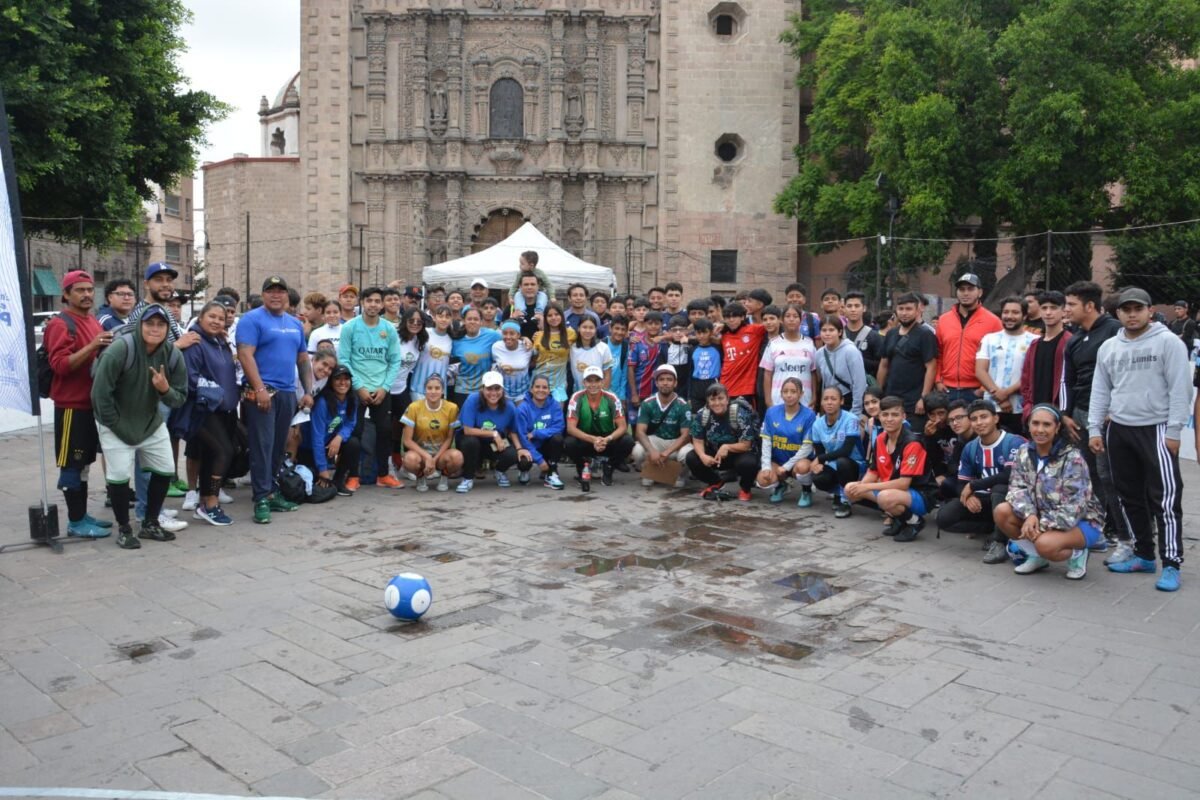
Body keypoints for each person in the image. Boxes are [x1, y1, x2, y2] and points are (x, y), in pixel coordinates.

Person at [1089, 287, 1192, 592]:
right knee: (1127, 495)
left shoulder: (1168, 342)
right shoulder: (1109, 347)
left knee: (1166, 499)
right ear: (1117, 313)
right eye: (1126, 310)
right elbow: (1101, 390)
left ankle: (1171, 563)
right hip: (1119, 429)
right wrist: (1095, 428)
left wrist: (1174, 432)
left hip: (1157, 428)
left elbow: (1180, 389)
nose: (1132, 315)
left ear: (1150, 311)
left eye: (1138, 309)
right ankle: (1143, 554)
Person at [91, 305, 188, 548]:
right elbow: (100, 396)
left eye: (160, 324)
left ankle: (150, 523)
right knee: (119, 476)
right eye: (149, 323)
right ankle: (124, 529)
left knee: (165, 469)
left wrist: (164, 389)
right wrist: (117, 426)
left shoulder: (173, 355)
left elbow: (180, 397)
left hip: (149, 422)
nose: (155, 329)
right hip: (116, 423)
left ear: (168, 328)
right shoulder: (120, 350)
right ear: (140, 325)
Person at [239, 276, 317, 523]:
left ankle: (271, 492)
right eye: (270, 291)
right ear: (263, 295)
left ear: (287, 295)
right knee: (262, 445)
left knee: (277, 446)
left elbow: (303, 359)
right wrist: (259, 388)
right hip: (261, 392)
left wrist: (308, 391)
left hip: (286, 393)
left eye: (280, 291)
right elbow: (245, 354)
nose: (276, 295)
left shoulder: (295, 324)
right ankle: (261, 498)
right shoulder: (251, 319)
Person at [995, 405, 1105, 580]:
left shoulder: (1072, 458)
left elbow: (1074, 506)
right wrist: (1029, 515)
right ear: (1029, 425)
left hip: (1081, 520)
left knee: (1045, 544)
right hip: (1040, 515)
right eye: (1035, 423)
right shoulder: (1024, 451)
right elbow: (1017, 487)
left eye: (1046, 425)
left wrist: (1039, 525)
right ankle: (1036, 557)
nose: (1040, 430)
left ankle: (1078, 554)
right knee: (1002, 512)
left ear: (1057, 428)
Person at [44, 271, 112, 537]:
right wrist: (94, 345)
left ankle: (81, 515)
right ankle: (75, 522)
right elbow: (60, 365)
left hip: (90, 405)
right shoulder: (60, 324)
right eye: (79, 290)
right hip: (70, 406)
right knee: (71, 466)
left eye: (89, 289)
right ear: (66, 294)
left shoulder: (92, 320)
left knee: (83, 464)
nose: (86, 294)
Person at [1062, 280, 1128, 556]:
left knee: (1110, 476)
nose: (1066, 310)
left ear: (1090, 306)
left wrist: (1114, 409)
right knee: (1086, 475)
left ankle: (1125, 533)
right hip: (1079, 417)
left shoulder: (1115, 332)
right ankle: (1096, 528)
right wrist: (1065, 415)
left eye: (1071, 305)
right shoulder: (1075, 338)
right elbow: (1068, 380)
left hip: (1108, 417)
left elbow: (1124, 376)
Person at [169, 301, 239, 526]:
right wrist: (217, 395)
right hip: (202, 411)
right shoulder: (195, 342)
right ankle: (210, 503)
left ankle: (206, 501)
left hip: (225, 411)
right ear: (200, 318)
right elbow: (191, 379)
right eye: (212, 317)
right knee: (223, 452)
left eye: (221, 318)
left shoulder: (222, 342)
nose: (217, 321)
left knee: (215, 455)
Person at [936, 400, 1025, 564]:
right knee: (944, 518)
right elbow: (962, 482)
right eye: (974, 419)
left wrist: (974, 485)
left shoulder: (1014, 442)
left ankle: (999, 542)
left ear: (996, 419)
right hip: (985, 500)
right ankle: (993, 529)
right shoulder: (970, 447)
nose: (979, 423)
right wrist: (968, 496)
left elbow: (1009, 475)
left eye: (984, 417)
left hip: (1015, 501)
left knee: (999, 488)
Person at [337, 286, 404, 489]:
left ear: (382, 304)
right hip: (357, 389)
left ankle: (383, 475)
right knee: (354, 433)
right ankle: (353, 476)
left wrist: (384, 387)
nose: (373, 304)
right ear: (362, 303)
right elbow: (344, 359)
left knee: (384, 432)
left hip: (382, 390)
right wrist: (358, 387)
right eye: (369, 301)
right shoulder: (350, 327)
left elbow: (394, 361)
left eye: (377, 301)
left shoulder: (389, 329)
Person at [845, 395, 936, 543]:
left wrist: (866, 486)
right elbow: (873, 470)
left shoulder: (912, 443)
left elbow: (903, 483)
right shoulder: (881, 438)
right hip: (894, 490)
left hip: (922, 494)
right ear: (879, 416)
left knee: (884, 497)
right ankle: (899, 519)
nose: (889, 419)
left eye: (895, 414)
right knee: (850, 488)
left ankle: (915, 522)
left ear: (903, 416)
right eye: (885, 414)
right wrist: (860, 486)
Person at [686, 383, 761, 501]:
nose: (717, 403)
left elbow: (747, 445)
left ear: (727, 399)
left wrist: (727, 447)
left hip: (738, 454)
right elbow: (697, 440)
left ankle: (745, 488)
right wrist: (703, 456)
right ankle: (715, 482)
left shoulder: (739, 414)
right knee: (691, 457)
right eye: (712, 399)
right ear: (708, 402)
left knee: (748, 463)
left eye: (720, 398)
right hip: (715, 454)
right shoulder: (703, 415)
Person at [457, 371, 529, 493]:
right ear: (482, 389)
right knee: (471, 442)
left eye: (497, 388)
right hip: (471, 440)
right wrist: (493, 433)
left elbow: (513, 431)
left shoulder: (509, 406)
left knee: (512, 454)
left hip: (493, 443)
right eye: (489, 389)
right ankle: (467, 478)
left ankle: (499, 471)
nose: (493, 393)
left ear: (502, 389)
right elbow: (467, 430)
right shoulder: (472, 400)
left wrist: (519, 449)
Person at [800, 386, 867, 518]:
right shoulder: (817, 424)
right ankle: (839, 493)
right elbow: (819, 451)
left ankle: (846, 501)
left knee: (843, 462)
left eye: (833, 399)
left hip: (855, 463)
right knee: (819, 477)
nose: (829, 402)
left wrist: (820, 459)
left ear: (841, 401)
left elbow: (846, 450)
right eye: (826, 399)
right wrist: (820, 462)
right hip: (834, 463)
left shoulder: (851, 419)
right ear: (822, 402)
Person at [565, 365, 635, 489]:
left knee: (628, 441)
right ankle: (582, 467)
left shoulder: (611, 398)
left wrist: (607, 439)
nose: (593, 384)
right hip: (586, 439)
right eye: (589, 381)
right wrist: (593, 439)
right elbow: (571, 428)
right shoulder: (576, 398)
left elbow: (623, 427)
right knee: (569, 443)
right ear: (584, 382)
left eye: (597, 380)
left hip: (606, 439)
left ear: (602, 382)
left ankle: (609, 467)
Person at [935, 273, 1001, 403]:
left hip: (976, 391)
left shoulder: (993, 321)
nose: (965, 293)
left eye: (970, 289)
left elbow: (998, 358)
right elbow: (938, 353)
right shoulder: (943, 320)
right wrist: (938, 380)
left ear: (980, 292)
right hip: (947, 390)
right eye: (961, 289)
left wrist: (984, 387)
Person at [975, 297, 1037, 433]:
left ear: (1025, 315)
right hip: (991, 407)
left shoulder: (1035, 342)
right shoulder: (989, 339)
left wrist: (1006, 393)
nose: (1009, 316)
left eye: (1015, 312)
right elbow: (980, 371)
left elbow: (1033, 375)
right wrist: (999, 396)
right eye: (1006, 312)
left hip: (1021, 407)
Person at [302, 364, 364, 496]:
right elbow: (316, 437)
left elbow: (350, 423)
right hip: (311, 448)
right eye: (338, 379)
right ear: (331, 382)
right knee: (311, 484)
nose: (343, 383)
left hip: (330, 442)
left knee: (353, 443)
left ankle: (338, 481)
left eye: (346, 379)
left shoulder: (352, 399)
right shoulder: (322, 402)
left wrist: (339, 437)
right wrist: (322, 469)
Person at [878, 293, 938, 426]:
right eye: (901, 309)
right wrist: (878, 392)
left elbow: (931, 367)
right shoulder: (891, 333)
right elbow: (883, 364)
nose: (904, 313)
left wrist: (923, 398)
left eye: (909, 309)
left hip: (914, 402)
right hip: (891, 398)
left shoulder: (925, 334)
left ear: (918, 311)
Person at [756, 377, 816, 505]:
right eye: (785, 391)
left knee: (803, 467)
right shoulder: (771, 412)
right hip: (778, 461)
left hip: (798, 462)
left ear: (801, 394)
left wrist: (787, 466)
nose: (789, 395)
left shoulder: (809, 415)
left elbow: (807, 447)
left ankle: (806, 491)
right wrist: (766, 466)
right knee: (762, 479)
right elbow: (766, 442)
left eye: (793, 392)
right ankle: (780, 486)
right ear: (781, 393)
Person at [632, 365, 693, 488]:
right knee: (637, 451)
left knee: (688, 454)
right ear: (656, 383)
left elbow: (685, 435)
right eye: (662, 379)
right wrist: (652, 451)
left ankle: (680, 474)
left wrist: (666, 453)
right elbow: (640, 432)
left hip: (675, 442)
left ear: (675, 383)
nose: (665, 383)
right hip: (656, 440)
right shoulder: (647, 403)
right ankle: (650, 472)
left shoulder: (683, 405)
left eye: (669, 379)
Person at [400, 373, 463, 493]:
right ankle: (420, 476)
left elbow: (450, 438)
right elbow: (407, 440)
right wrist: (427, 457)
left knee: (457, 457)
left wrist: (435, 459)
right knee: (409, 460)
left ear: (443, 390)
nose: (433, 392)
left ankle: (444, 476)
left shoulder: (452, 408)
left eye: (437, 388)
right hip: (420, 454)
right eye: (429, 388)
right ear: (425, 390)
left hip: (440, 454)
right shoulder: (414, 407)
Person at [1019, 291, 1072, 428]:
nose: (1048, 313)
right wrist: (1028, 406)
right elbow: (1025, 378)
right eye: (1044, 308)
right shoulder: (1035, 344)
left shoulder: (1070, 342)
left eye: (1053, 308)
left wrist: (1064, 411)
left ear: (1064, 312)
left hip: (1060, 413)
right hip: (1036, 411)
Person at [759, 304, 818, 409]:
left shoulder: (809, 343)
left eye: (795, 316)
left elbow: (813, 372)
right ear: (782, 319)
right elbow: (767, 374)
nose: (791, 319)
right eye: (788, 316)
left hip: (804, 401)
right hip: (778, 400)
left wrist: (814, 396)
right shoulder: (773, 343)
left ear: (800, 320)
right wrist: (768, 401)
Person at [516, 375, 566, 489]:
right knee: (524, 461)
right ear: (531, 389)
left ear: (549, 390)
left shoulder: (554, 405)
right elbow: (523, 437)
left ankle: (551, 472)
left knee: (558, 438)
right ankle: (524, 471)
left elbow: (559, 427)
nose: (541, 390)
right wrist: (539, 460)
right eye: (537, 387)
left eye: (544, 387)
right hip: (530, 446)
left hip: (546, 445)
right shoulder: (523, 408)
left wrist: (536, 433)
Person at [451, 307, 502, 407]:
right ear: (463, 321)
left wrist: (524, 339)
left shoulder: (492, 335)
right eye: (469, 319)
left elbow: (509, 339)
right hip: (462, 390)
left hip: (484, 390)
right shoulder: (456, 340)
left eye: (476, 319)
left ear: (481, 322)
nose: (472, 322)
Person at [814, 315, 866, 416]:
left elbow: (859, 383)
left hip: (848, 401)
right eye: (824, 330)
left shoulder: (850, 351)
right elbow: (820, 380)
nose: (827, 334)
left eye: (831, 330)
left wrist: (856, 410)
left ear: (840, 332)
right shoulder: (819, 354)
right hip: (829, 403)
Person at [719, 302, 767, 408]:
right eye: (727, 317)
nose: (731, 320)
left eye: (734, 316)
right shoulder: (723, 336)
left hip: (746, 388)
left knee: (745, 420)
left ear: (742, 317)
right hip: (725, 385)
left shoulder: (754, 331)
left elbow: (774, 323)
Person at [531, 304, 575, 404]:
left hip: (559, 384)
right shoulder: (538, 335)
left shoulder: (571, 333)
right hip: (539, 383)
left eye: (556, 314)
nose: (553, 318)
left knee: (557, 417)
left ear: (562, 316)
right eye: (549, 315)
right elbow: (533, 358)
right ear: (545, 318)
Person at [628, 310, 666, 410]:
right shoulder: (637, 343)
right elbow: (630, 369)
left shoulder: (664, 343)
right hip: (639, 391)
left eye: (656, 323)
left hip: (658, 392)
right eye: (650, 323)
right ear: (645, 324)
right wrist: (633, 394)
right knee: (636, 425)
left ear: (661, 325)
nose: (653, 326)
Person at [492, 320, 534, 403]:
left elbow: (535, 360)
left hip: (523, 394)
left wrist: (525, 338)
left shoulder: (527, 347)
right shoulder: (496, 347)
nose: (508, 337)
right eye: (505, 333)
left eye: (512, 333)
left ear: (518, 335)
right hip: (503, 394)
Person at [843, 292, 883, 380]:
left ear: (864, 308)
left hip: (866, 386)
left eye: (857, 306)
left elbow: (881, 365)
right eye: (849, 306)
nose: (853, 309)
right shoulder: (838, 335)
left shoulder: (874, 336)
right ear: (844, 309)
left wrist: (857, 360)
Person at [570, 316, 614, 391]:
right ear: (578, 328)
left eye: (591, 328)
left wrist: (603, 394)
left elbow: (607, 375)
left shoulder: (603, 348)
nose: (587, 330)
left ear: (595, 329)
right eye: (584, 327)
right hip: (578, 392)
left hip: (598, 393)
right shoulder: (572, 347)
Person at [688, 318, 722, 413]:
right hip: (697, 388)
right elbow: (690, 372)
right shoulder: (692, 350)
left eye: (705, 333)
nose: (701, 336)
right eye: (698, 333)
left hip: (714, 384)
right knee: (697, 417)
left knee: (714, 415)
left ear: (711, 333)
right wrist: (689, 396)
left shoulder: (718, 348)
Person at [506, 273, 548, 339]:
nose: (529, 287)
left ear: (538, 286)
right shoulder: (511, 308)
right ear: (520, 286)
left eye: (533, 284)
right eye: (526, 284)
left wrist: (543, 327)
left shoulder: (548, 308)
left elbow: (555, 332)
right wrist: (513, 319)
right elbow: (504, 333)